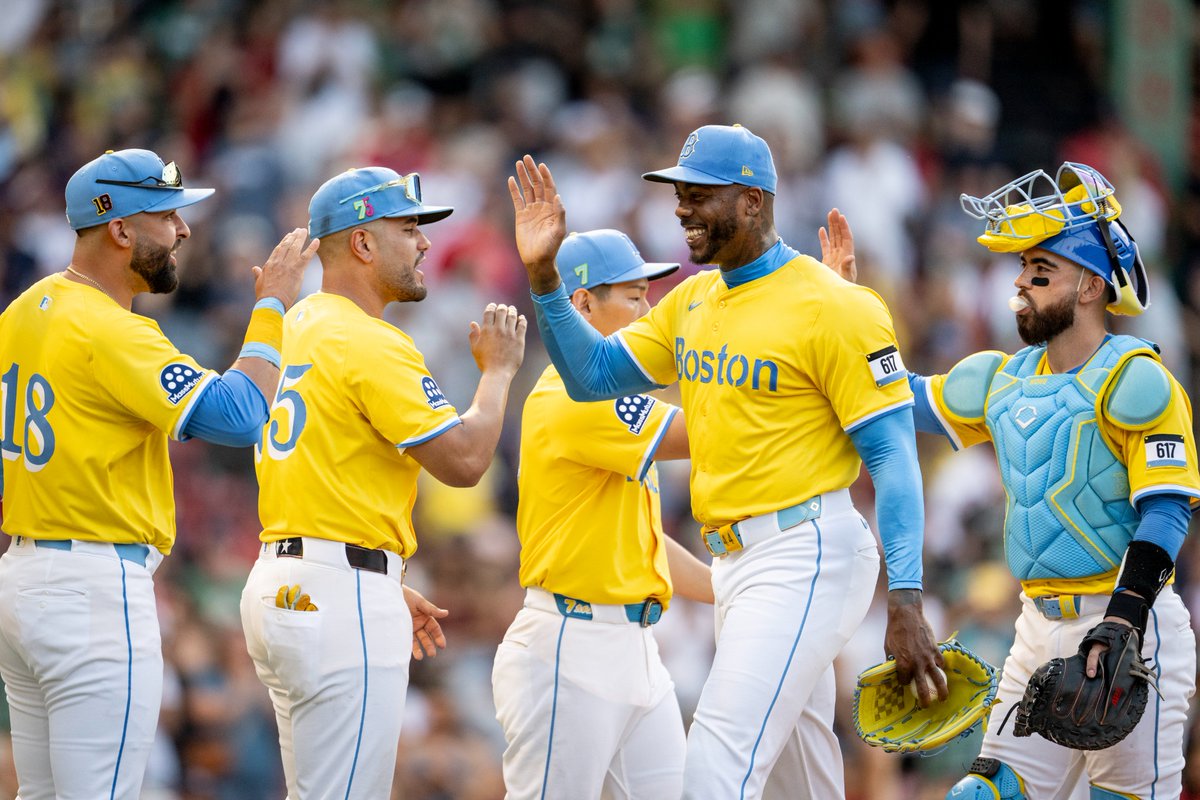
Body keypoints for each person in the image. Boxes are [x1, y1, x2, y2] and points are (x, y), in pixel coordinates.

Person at [508, 124, 945, 799]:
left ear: (750, 200)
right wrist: (542, 280)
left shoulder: (835, 306)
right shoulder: (691, 300)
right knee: (799, 782)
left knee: (714, 768)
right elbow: (591, 376)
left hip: (806, 548)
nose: (680, 208)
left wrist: (907, 596)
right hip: (738, 563)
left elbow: (891, 455)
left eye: (698, 194)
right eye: (678, 193)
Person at [0, 147, 314, 800]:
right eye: (167, 215)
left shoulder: (23, 311)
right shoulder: (109, 329)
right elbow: (239, 414)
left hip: (24, 577)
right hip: (90, 591)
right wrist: (273, 307)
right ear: (120, 229)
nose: (184, 230)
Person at [903, 163, 1199, 799]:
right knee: (983, 795)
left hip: (1129, 630)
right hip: (1036, 626)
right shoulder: (1000, 379)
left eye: (1042, 272)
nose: (1021, 286)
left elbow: (1169, 509)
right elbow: (895, 402)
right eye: (1022, 271)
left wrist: (1123, 619)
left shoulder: (1136, 379)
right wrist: (849, 321)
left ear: (1090, 287)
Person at [239, 165, 527, 800]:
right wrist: (499, 373)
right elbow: (466, 461)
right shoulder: (369, 339)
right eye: (407, 228)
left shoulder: (288, 327)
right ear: (363, 244)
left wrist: (380, 579)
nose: (424, 242)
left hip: (282, 582)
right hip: (335, 596)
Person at [491, 228, 715, 799]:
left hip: (633, 646)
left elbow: (645, 547)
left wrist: (727, 589)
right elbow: (708, 432)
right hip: (569, 646)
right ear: (583, 302)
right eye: (635, 295)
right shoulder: (576, 395)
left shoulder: (609, 396)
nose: (651, 309)